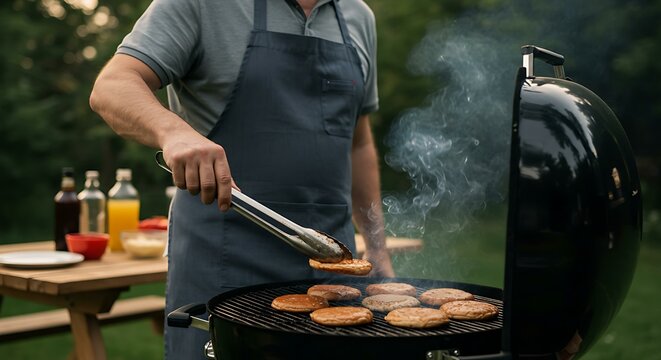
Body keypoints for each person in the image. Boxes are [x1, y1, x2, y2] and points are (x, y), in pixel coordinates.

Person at [90, 0, 394, 357]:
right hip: (225, 261)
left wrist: (376, 247)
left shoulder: (359, 16)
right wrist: (174, 132)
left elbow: (358, 144)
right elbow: (112, 86)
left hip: (334, 268)